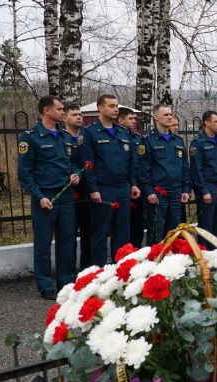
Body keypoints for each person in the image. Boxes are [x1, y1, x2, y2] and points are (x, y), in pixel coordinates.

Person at [18, 96, 79, 300]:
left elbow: (72, 162)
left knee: (67, 241)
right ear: (47, 110)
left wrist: (75, 174)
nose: (63, 113)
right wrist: (39, 196)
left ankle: (66, 283)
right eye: (60, 109)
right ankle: (45, 285)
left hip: (66, 196)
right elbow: (24, 173)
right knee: (43, 243)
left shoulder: (64, 135)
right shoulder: (31, 137)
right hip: (46, 198)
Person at [77, 94, 140, 267]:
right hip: (103, 190)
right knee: (100, 233)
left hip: (123, 188)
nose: (115, 109)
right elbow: (87, 164)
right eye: (111, 106)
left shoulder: (122, 132)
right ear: (100, 108)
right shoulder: (89, 133)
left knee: (122, 233)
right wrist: (93, 189)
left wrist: (133, 183)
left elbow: (131, 161)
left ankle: (120, 271)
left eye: (116, 106)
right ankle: (99, 272)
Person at [138, 104, 191, 244]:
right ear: (156, 117)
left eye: (170, 114)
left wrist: (186, 189)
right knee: (156, 231)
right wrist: (149, 191)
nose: (169, 117)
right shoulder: (147, 139)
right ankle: (155, 262)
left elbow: (185, 167)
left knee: (175, 232)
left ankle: (173, 262)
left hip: (176, 192)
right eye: (165, 115)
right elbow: (144, 169)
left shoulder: (177, 140)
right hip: (158, 192)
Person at [190, 111, 217, 248]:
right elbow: (196, 170)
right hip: (208, 186)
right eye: (216, 121)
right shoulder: (198, 142)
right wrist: (204, 191)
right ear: (207, 123)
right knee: (206, 224)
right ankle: (206, 255)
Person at [63, 104, 89, 269]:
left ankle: (87, 268)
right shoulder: (61, 138)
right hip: (69, 193)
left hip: (87, 191)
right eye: (74, 115)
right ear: (64, 118)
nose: (79, 117)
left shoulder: (86, 138)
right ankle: (69, 268)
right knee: (69, 234)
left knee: (88, 233)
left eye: (80, 114)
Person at [117, 107, 145, 248]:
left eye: (135, 118)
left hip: (137, 185)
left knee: (137, 224)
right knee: (121, 226)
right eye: (131, 118)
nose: (134, 121)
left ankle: (136, 251)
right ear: (121, 120)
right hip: (121, 185)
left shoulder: (138, 138)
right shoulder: (117, 137)